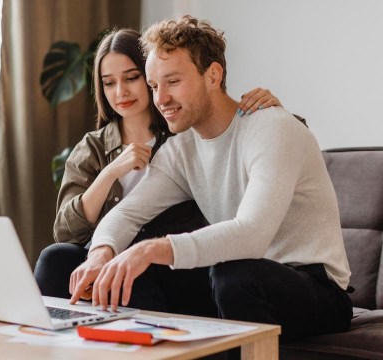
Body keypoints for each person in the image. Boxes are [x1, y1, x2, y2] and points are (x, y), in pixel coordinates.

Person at [68, 15, 352, 340]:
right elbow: (127, 212)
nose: (160, 99)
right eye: (154, 86)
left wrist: (151, 249)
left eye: (173, 81)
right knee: (131, 273)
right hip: (235, 278)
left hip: (315, 289)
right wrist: (101, 254)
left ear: (213, 75)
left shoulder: (273, 128)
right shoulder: (182, 149)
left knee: (233, 274)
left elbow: (252, 233)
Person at [34, 27, 290, 317]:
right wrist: (110, 175)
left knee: (137, 272)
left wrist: (273, 112)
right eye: (109, 83)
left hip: (176, 261)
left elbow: (257, 141)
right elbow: (68, 231)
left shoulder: (183, 134)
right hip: (113, 249)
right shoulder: (94, 147)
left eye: (132, 78)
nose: (121, 92)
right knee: (55, 258)